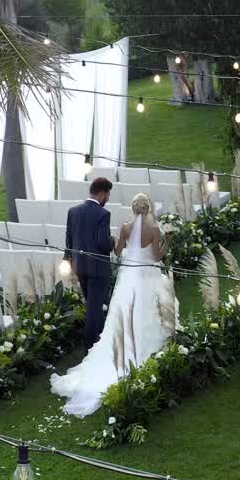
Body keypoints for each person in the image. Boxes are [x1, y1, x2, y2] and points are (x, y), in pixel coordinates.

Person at [51, 192, 177, 417]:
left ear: (133, 209)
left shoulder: (126, 228)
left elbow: (117, 252)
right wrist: (168, 241)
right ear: (148, 209)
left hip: (128, 279)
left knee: (122, 312)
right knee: (147, 310)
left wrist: (115, 241)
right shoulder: (154, 230)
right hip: (146, 278)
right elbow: (157, 258)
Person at [67, 177, 115, 349]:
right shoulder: (103, 214)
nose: (108, 199)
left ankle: (100, 338)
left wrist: (69, 260)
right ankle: (91, 347)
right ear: (102, 194)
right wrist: (112, 241)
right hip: (98, 269)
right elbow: (103, 244)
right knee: (94, 309)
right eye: (108, 195)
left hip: (80, 266)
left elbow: (69, 239)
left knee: (92, 305)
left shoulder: (73, 211)